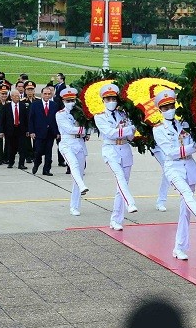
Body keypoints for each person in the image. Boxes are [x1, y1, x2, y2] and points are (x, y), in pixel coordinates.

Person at [151, 89, 196, 260]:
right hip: (173, 167)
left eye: (171, 105)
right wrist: (192, 147)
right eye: (165, 108)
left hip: (189, 166)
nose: (169, 109)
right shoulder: (158, 130)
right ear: (160, 110)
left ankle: (179, 247)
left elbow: (195, 140)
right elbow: (171, 152)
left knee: (185, 209)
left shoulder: (184, 124)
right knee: (187, 195)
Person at [94, 84, 139, 230]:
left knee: (121, 186)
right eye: (108, 99)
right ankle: (130, 203)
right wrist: (129, 128)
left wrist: (131, 128)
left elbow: (131, 136)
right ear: (103, 100)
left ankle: (116, 220)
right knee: (119, 177)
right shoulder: (99, 117)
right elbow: (110, 133)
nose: (111, 101)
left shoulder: (124, 115)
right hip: (111, 149)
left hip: (125, 149)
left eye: (113, 98)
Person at [55, 87, 90, 216]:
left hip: (79, 144)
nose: (71, 103)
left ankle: (74, 206)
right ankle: (82, 186)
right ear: (63, 101)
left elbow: (88, 127)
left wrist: (86, 130)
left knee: (78, 174)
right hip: (67, 144)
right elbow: (69, 129)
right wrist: (83, 130)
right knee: (73, 166)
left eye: (72, 100)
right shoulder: (60, 114)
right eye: (68, 100)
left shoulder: (81, 113)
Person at [28, 85, 58, 176]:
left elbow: (57, 120)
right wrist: (31, 131)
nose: (47, 96)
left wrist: (57, 132)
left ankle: (46, 170)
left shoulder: (54, 105)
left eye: (49, 94)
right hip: (38, 132)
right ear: (41, 94)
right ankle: (37, 163)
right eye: (45, 94)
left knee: (49, 152)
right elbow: (31, 119)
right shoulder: (35, 104)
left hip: (50, 133)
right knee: (38, 151)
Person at [0, 89, 28, 169]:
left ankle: (21, 164)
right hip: (10, 130)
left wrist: (28, 130)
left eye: (18, 96)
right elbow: (2, 120)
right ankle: (11, 162)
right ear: (11, 97)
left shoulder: (23, 106)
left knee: (22, 147)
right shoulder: (6, 107)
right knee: (11, 147)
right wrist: (1, 131)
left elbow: (26, 119)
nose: (17, 97)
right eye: (15, 96)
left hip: (21, 129)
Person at [53, 73, 68, 168]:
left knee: (61, 142)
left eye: (58, 76)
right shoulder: (57, 86)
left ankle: (61, 160)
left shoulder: (63, 87)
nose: (56, 78)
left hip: (58, 112)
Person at [0, 84, 10, 165]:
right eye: (2, 94)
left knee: (8, 142)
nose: (4, 95)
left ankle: (6, 158)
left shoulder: (9, 104)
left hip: (8, 126)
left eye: (5, 94)